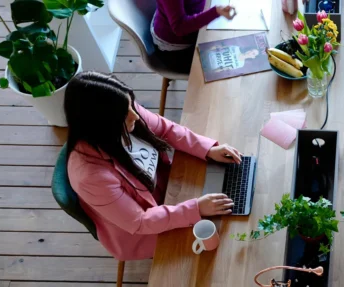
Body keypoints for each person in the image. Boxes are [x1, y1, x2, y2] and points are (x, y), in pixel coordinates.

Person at [64, 71, 244, 260]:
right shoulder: (91, 177)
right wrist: (195, 208)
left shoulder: (122, 109)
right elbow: (140, 221)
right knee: (223, 246)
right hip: (143, 230)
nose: (135, 115)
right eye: (126, 114)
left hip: (169, 189)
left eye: (131, 105)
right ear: (101, 124)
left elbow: (166, 129)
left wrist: (208, 149)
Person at [152, 0, 237, 73]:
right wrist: (215, 12)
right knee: (227, 68)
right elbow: (179, 27)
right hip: (177, 51)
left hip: (195, 26)